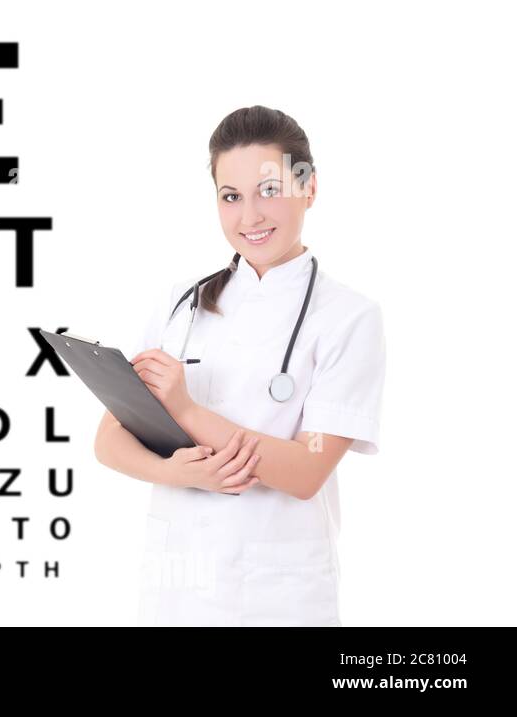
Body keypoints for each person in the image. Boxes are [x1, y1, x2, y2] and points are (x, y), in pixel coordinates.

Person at [94, 105, 386, 626]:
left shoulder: (347, 318)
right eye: (231, 197)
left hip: (279, 595)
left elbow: (305, 471)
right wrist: (172, 471)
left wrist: (185, 409)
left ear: (309, 188)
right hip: (177, 590)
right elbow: (108, 440)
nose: (249, 216)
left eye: (268, 191)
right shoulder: (179, 303)